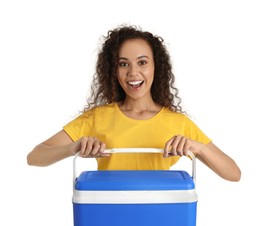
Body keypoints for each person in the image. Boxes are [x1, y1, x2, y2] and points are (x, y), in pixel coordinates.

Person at [27, 25, 241, 181]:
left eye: (142, 62)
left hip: (157, 219)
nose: (133, 73)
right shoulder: (97, 118)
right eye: (123, 64)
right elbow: (35, 156)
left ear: (156, 67)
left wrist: (199, 148)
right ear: (114, 71)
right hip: (108, 218)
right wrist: (73, 148)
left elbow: (233, 173)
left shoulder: (178, 123)